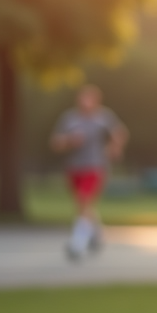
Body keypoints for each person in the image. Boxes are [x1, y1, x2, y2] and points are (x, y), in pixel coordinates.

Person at [50, 84, 127, 261]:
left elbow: (119, 133)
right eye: (83, 98)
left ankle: (77, 244)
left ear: (96, 101)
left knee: (84, 201)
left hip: (96, 166)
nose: (86, 102)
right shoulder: (70, 118)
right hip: (74, 167)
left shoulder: (103, 117)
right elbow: (55, 142)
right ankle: (97, 234)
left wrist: (114, 148)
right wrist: (69, 140)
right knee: (83, 205)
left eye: (90, 99)